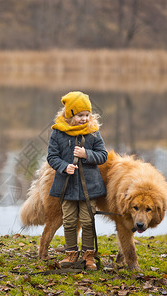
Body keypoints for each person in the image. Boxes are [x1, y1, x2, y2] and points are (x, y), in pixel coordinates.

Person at [47, 91, 107, 270]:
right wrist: (64, 166)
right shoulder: (58, 134)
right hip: (67, 186)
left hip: (89, 187)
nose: (84, 119)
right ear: (70, 114)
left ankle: (88, 256)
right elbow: (52, 156)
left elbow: (103, 155)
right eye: (80, 115)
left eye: (87, 115)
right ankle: (71, 255)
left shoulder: (93, 133)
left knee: (88, 221)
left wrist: (86, 154)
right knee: (70, 220)